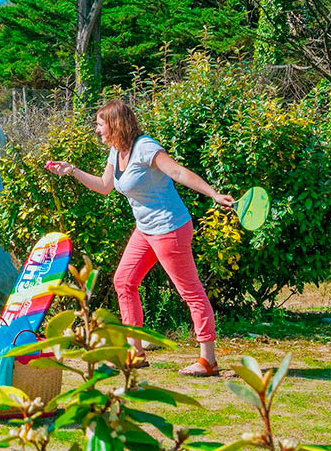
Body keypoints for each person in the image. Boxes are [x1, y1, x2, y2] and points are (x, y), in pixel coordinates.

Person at [46, 99, 233, 376]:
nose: (97, 130)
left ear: (115, 124)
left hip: (170, 228)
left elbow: (178, 172)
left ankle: (208, 360)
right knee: (124, 280)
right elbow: (104, 186)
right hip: (145, 230)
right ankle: (135, 351)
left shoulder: (145, 147)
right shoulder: (115, 151)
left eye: (100, 125)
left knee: (190, 292)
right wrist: (71, 170)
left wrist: (213, 194)